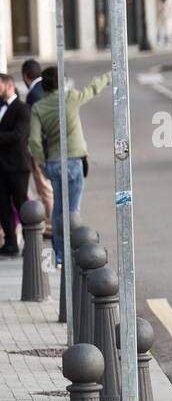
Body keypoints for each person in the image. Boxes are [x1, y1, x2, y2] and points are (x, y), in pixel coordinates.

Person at [28, 67, 111, 265]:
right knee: (73, 210)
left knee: (58, 209)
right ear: (62, 82)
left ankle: (58, 253)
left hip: (54, 162)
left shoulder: (38, 108)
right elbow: (92, 89)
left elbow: (34, 141)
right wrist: (109, 76)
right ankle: (72, 250)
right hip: (74, 160)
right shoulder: (71, 98)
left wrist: (42, 163)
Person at [19, 59, 53, 238]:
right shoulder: (44, 88)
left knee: (44, 187)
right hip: (50, 146)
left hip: (41, 149)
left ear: (26, 76)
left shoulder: (33, 95)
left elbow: (33, 128)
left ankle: (50, 224)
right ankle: (51, 221)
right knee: (47, 187)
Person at [0, 74, 32, 256]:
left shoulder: (22, 109)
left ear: (9, 85)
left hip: (18, 166)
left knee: (21, 205)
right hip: (1, 167)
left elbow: (18, 136)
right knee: (2, 205)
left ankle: (31, 244)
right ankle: (10, 244)